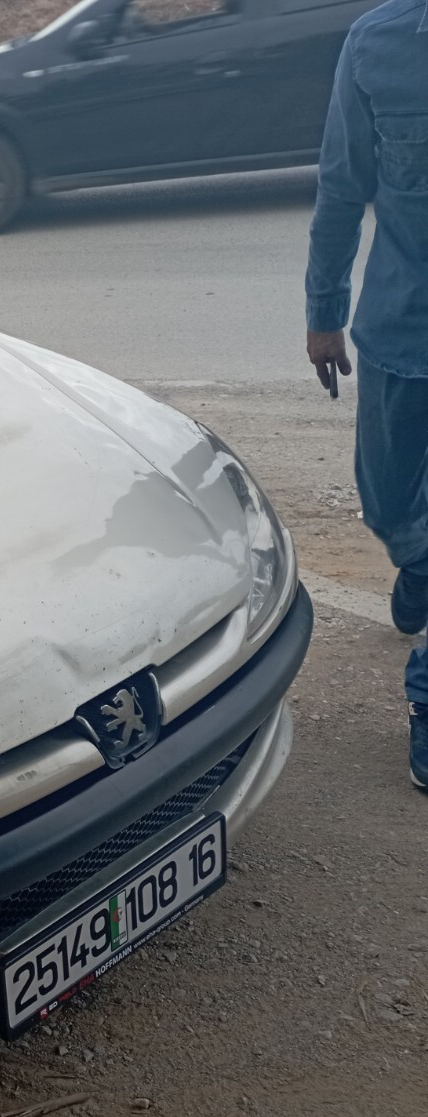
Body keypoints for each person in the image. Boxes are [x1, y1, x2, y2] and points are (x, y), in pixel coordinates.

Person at [305, 0, 428, 786]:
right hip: (400, 334)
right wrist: (324, 313)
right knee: (385, 504)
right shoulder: (379, 43)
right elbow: (343, 184)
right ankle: (418, 560)